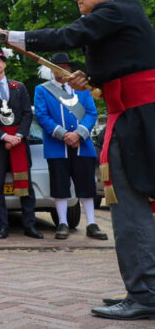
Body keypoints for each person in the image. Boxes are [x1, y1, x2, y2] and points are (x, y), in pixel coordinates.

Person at [0, 0, 155, 320]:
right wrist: (89, 77)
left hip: (136, 120)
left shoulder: (115, 11)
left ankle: (145, 293)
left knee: (129, 206)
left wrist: (6, 36)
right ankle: (144, 287)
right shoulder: (121, 16)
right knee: (130, 204)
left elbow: (67, 36)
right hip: (134, 118)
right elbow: (123, 65)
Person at [34, 53, 108, 241]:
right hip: (57, 146)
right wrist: (63, 134)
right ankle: (63, 223)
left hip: (82, 145)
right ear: (52, 69)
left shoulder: (83, 89)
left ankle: (91, 223)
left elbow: (92, 112)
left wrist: (79, 134)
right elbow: (42, 116)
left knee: (87, 186)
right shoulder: (42, 90)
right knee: (60, 187)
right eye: (58, 66)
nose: (62, 70)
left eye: (65, 66)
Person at [0, 48, 42, 240]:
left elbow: (28, 114)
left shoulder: (18, 87)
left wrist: (19, 135)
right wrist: (4, 137)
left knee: (25, 186)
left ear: (4, 64)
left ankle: (30, 226)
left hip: (19, 143)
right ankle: (2, 227)